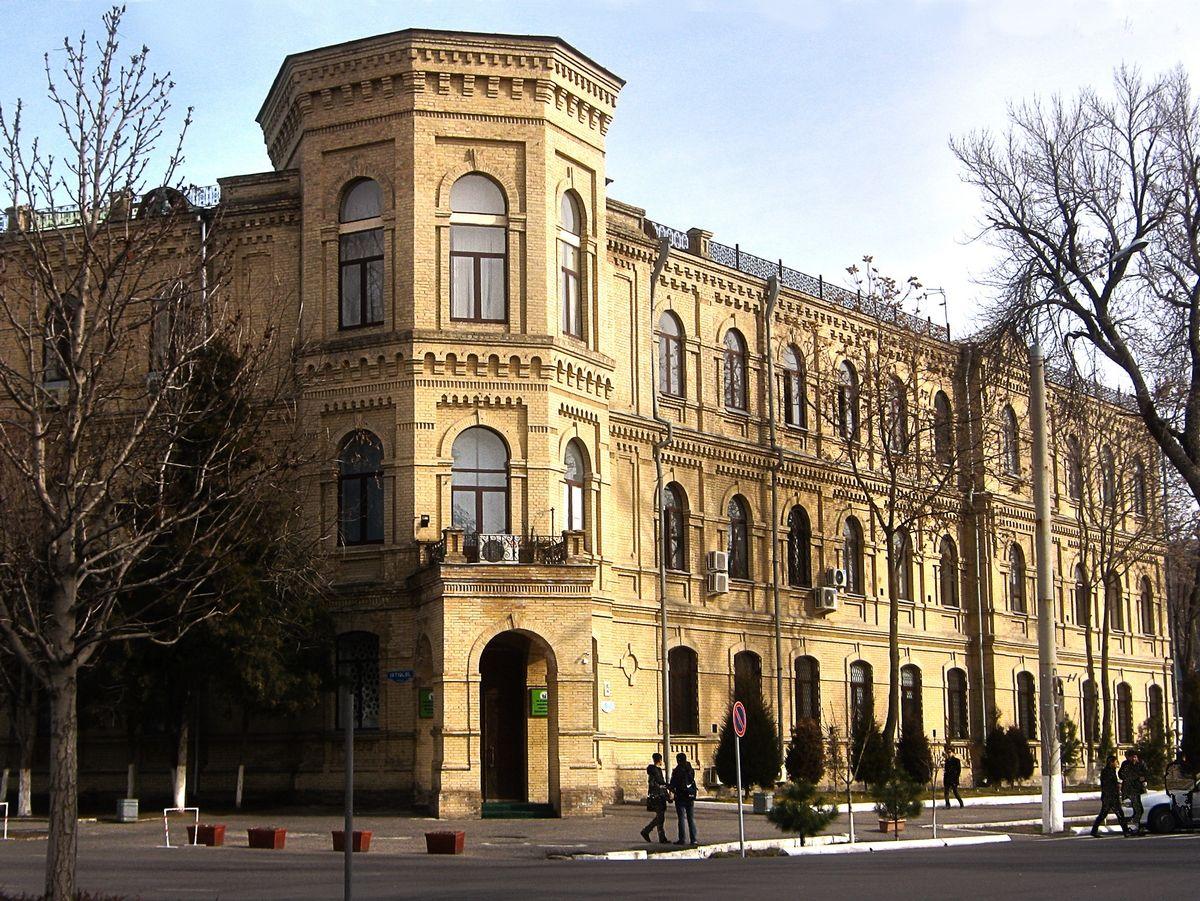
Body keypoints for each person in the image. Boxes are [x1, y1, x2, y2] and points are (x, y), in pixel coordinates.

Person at [1090, 754, 1132, 837]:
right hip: (1109, 797)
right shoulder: (1106, 772)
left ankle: (1126, 831)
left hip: (1112, 796)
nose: (1117, 764)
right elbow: (1108, 785)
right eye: (1116, 762)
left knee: (1116, 814)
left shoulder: (1112, 771)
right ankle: (1126, 831)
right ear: (1111, 763)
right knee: (1108, 814)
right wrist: (1116, 786)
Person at [668, 751, 698, 846]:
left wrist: (669, 789)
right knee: (691, 818)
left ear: (678, 760)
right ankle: (693, 840)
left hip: (680, 797)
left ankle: (682, 839)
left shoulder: (677, 770)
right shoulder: (690, 769)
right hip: (690, 796)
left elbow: (673, 784)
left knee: (681, 818)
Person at [640, 752, 671, 843]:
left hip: (654, 796)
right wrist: (667, 794)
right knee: (660, 817)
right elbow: (661, 783)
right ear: (660, 760)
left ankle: (651, 833)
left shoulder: (651, 772)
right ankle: (648, 831)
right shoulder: (657, 771)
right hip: (659, 796)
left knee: (660, 817)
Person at [1118, 749, 1148, 835]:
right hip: (1128, 790)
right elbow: (1121, 774)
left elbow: (1146, 773)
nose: (1131, 759)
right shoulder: (1125, 764)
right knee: (1133, 809)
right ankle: (1133, 827)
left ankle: (1137, 827)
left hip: (1139, 789)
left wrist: (1142, 779)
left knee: (1139, 809)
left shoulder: (1141, 763)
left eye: (1132, 757)